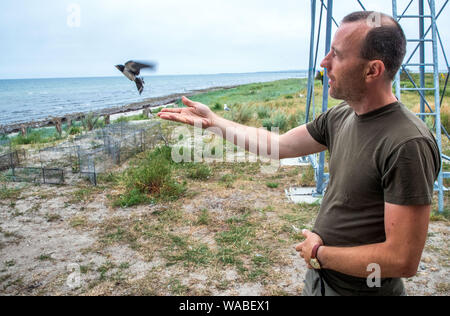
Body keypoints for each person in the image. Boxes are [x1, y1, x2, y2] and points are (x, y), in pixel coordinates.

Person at [158, 11, 441, 296]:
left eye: (337, 55)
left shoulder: (407, 144)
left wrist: (320, 253)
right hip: (321, 282)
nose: (325, 62)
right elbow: (280, 145)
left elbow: (402, 259)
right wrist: (214, 122)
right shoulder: (342, 115)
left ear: (373, 70)